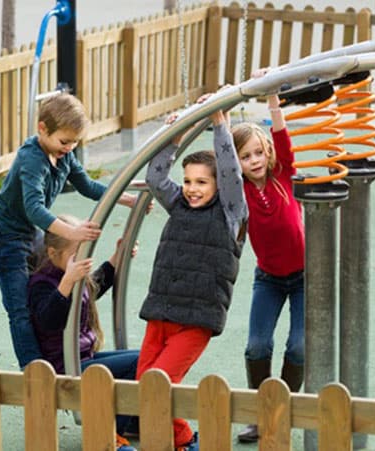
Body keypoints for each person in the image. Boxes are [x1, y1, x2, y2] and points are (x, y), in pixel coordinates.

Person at [0, 93, 138, 369]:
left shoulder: (63, 156)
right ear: (42, 129)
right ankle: (34, 368)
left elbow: (87, 186)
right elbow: (34, 209)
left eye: (75, 142)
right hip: (6, 236)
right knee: (19, 307)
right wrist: (72, 231)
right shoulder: (32, 159)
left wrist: (124, 198)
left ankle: (58, 350)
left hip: (31, 231)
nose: (69, 147)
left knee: (58, 278)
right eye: (64, 141)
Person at [136, 99, 248, 451]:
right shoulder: (178, 204)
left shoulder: (231, 213)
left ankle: (184, 441)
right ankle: (178, 440)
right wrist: (175, 135)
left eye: (201, 182)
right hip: (161, 312)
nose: (192, 188)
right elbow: (155, 176)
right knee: (144, 385)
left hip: (196, 319)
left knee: (162, 383)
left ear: (217, 186)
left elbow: (231, 172)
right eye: (187, 180)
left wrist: (219, 124)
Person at [232, 69, 305, 443]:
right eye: (246, 156)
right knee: (257, 345)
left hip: (306, 276)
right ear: (237, 163)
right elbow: (221, 162)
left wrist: (273, 97)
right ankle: (260, 414)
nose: (255, 160)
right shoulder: (239, 191)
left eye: (258, 153)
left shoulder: (283, 174)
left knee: (300, 345)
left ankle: (284, 409)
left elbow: (281, 135)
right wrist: (217, 118)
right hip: (270, 278)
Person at [28, 214, 139, 451]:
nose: (84, 259)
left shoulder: (75, 276)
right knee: (138, 362)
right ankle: (109, 434)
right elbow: (49, 320)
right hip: (66, 367)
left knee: (146, 355)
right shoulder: (43, 283)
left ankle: (132, 421)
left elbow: (94, 287)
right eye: (77, 253)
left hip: (83, 358)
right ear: (52, 253)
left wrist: (116, 258)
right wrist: (67, 282)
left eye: (87, 251)